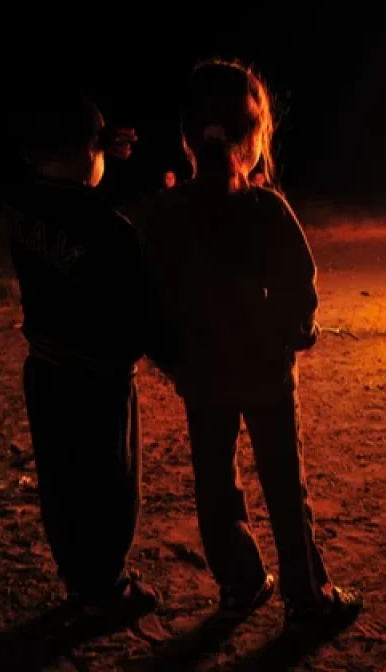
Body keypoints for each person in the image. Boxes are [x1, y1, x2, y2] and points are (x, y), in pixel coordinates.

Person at [136, 59, 361, 629]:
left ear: (188, 140)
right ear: (255, 137)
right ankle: (306, 595)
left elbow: (149, 299)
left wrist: (176, 359)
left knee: (215, 485)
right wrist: (292, 339)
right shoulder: (266, 209)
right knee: (286, 486)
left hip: (203, 377)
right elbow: (299, 290)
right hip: (264, 376)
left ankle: (240, 583)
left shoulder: (165, 215)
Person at [2, 90, 171, 623]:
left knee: (63, 481)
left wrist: (97, 150)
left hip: (46, 369)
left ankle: (80, 578)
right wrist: (180, 362)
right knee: (112, 487)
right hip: (100, 381)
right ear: (83, 152)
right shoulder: (113, 233)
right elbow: (143, 315)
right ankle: (108, 589)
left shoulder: (22, 202)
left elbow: (71, 201)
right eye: (97, 146)